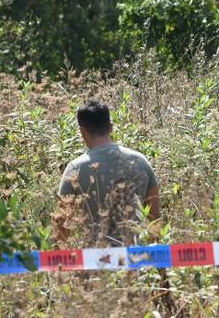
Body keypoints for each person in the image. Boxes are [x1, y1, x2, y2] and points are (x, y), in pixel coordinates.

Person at [56, 100, 160, 247]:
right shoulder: (140, 161)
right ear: (111, 127)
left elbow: (62, 230)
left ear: (82, 132)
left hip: (96, 257)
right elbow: (154, 219)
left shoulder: (75, 169)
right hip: (137, 255)